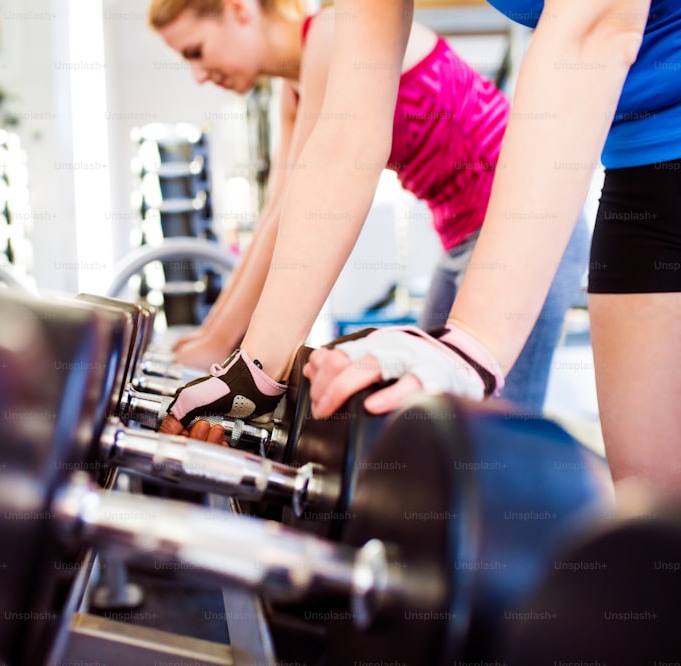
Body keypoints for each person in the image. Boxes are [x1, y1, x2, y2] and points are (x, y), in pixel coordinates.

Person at [168, 0, 681, 498]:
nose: (194, 73)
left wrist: (473, 346)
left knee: (484, 460)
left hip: (531, 219)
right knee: (655, 517)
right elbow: (345, 141)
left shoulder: (319, 37)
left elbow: (597, 26)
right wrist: (255, 371)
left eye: (194, 51)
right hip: (636, 171)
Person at [150, 0, 588, 418]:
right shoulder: (294, 86)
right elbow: (276, 217)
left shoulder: (328, 35)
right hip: (460, 241)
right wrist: (212, 341)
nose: (198, 75)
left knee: (491, 428)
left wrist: (224, 349)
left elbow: (292, 213)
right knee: (426, 415)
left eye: (196, 51)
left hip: (530, 233)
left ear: (238, 9)